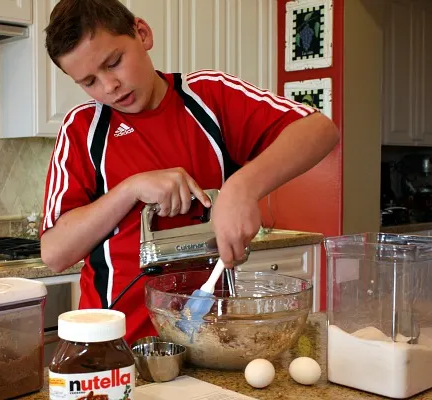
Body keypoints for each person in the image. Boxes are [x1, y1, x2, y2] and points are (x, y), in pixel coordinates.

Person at [40, 0, 339, 345]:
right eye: (89, 81)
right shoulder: (82, 128)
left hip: (209, 341)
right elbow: (55, 254)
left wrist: (242, 187)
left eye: (114, 62)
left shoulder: (210, 96)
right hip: (115, 347)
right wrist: (130, 189)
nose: (110, 87)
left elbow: (320, 130)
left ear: (142, 33)